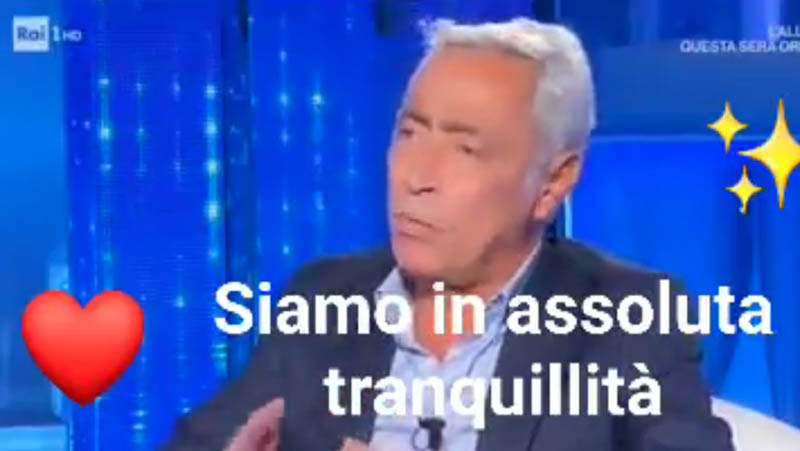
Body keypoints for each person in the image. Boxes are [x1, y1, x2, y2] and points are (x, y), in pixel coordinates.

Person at [164, 17, 734, 451]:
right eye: (409, 133)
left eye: (465, 149)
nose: (416, 177)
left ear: (554, 181)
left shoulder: (626, 321)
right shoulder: (324, 298)